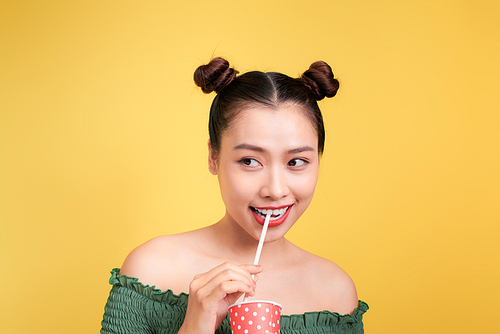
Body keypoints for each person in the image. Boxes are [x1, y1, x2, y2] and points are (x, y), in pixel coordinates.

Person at [101, 57, 368, 334]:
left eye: (296, 162)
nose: (275, 190)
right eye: (250, 161)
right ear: (213, 157)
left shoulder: (334, 292)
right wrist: (193, 327)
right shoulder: (151, 270)